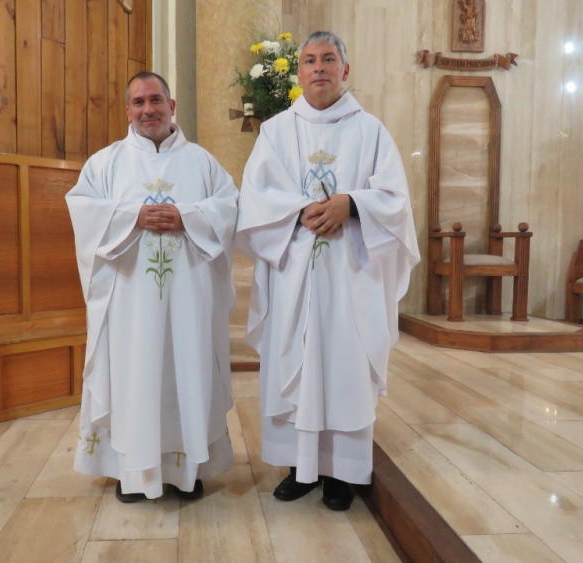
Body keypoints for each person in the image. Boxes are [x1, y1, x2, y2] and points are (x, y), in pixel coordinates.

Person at [235, 31, 420, 511]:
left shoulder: (371, 131)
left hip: (349, 276)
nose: (319, 68)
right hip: (293, 272)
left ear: (345, 70)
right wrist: (301, 211)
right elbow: (254, 198)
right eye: (310, 61)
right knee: (294, 359)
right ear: (299, 73)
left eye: (329, 59)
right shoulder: (276, 131)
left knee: (343, 363)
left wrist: (351, 205)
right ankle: (299, 467)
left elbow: (396, 201)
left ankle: (342, 472)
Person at [66, 71, 238, 502]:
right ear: (128, 110)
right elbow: (83, 210)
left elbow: (230, 207)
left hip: (188, 300)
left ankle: (186, 471)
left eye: (156, 100)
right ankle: (133, 475)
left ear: (172, 106)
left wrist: (188, 217)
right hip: (129, 303)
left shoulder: (202, 162)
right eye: (139, 102)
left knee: (188, 370)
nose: (148, 110)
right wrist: (133, 217)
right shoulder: (105, 163)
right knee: (133, 374)